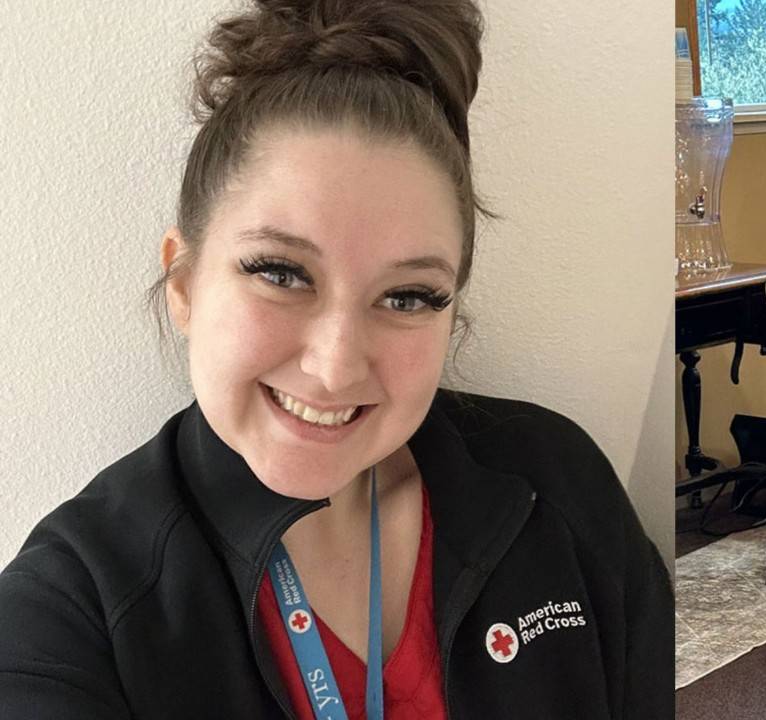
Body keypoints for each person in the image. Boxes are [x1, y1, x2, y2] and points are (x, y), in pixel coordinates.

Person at [0, 1, 672, 718]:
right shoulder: (73, 607)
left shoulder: (558, 482)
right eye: (281, 273)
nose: (336, 367)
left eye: (407, 296)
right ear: (185, 282)